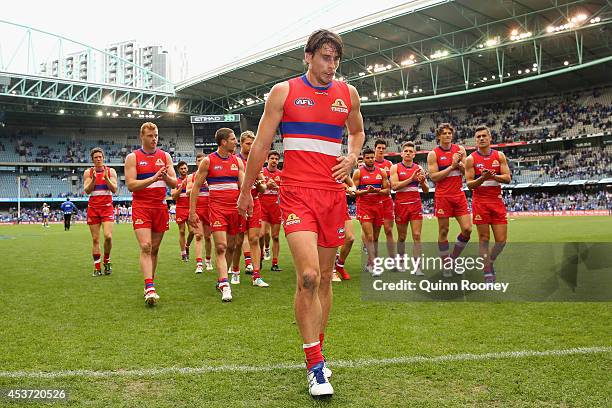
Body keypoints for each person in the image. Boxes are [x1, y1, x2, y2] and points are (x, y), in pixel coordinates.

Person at [237, 29, 365, 398]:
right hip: (295, 194)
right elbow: (261, 143)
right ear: (307, 57)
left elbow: (357, 133)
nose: (331, 65)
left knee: (325, 278)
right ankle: (314, 365)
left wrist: (353, 156)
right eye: (325, 57)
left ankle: (318, 354)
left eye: (336, 59)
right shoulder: (285, 91)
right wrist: (246, 190)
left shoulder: (348, 94)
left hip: (332, 194)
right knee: (307, 276)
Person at [189, 128, 245, 302]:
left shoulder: (238, 162)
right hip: (217, 209)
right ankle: (225, 284)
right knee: (220, 247)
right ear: (223, 142)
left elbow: (242, 187)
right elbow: (196, 187)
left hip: (234, 210)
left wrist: (248, 201)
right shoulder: (208, 161)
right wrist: (192, 212)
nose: (235, 142)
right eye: (233, 139)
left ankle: (222, 280)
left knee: (232, 246)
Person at [124, 122, 177, 305]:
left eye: (156, 135)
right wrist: (153, 178)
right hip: (142, 206)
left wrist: (165, 177)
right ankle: (149, 286)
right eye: (150, 136)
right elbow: (131, 185)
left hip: (160, 206)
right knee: (146, 246)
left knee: (154, 248)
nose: (154, 139)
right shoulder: (133, 157)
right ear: (142, 137)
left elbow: (174, 183)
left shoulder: (165, 156)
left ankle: (150, 285)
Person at [465, 125, 511, 283]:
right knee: (484, 238)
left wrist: (494, 177)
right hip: (480, 201)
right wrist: (482, 179)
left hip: (496, 200)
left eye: (484, 136)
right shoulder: (471, 159)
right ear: (475, 140)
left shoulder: (499, 155)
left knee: (501, 240)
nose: (481, 139)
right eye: (478, 137)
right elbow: (469, 184)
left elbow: (507, 178)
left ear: (490, 138)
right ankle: (487, 271)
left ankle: (489, 262)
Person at [427, 123, 472, 277]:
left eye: (449, 133)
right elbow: (434, 177)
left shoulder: (460, 150)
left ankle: (452, 259)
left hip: (459, 195)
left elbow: (467, 172)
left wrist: (459, 163)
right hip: (443, 196)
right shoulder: (433, 154)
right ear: (439, 136)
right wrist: (451, 166)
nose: (447, 135)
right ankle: (446, 265)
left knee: (467, 229)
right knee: (444, 231)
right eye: (444, 133)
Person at [231, 131, 269, 287]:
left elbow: (263, 186)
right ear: (241, 144)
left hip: (255, 202)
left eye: (253, 143)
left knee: (254, 238)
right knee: (238, 241)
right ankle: (235, 271)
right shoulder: (234, 160)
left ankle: (256, 275)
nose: (251, 146)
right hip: (239, 204)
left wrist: (261, 186)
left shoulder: (257, 160)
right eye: (248, 143)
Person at [390, 142, 429, 275]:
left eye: (410, 151)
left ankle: (417, 267)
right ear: (402, 153)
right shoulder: (395, 168)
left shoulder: (419, 168)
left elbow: (426, 190)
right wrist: (411, 178)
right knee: (402, 237)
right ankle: (400, 262)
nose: (408, 153)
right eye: (405, 151)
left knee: (417, 236)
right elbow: (394, 186)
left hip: (415, 204)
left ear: (414, 154)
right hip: (401, 205)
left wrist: (422, 181)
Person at [353, 148, 389, 275]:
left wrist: (377, 191)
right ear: (363, 159)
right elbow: (353, 192)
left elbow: (387, 191)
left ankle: (369, 263)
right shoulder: (358, 172)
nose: (370, 160)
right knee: (369, 236)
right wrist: (366, 192)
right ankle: (375, 266)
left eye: (372, 157)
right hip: (364, 206)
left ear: (374, 157)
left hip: (378, 206)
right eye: (367, 158)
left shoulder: (382, 172)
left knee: (375, 238)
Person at [84, 147, 117, 276]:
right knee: (95, 239)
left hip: (107, 207)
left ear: (103, 158)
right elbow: (87, 190)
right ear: (92, 160)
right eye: (96, 158)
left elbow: (114, 189)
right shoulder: (88, 172)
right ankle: (97, 268)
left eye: (100, 157)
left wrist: (106, 178)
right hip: (93, 208)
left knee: (108, 236)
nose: (98, 159)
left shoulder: (111, 171)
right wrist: (93, 179)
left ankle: (107, 260)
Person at [185, 153, 214, 274]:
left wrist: (209, 186)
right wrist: (199, 185)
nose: (201, 162)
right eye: (198, 160)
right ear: (196, 163)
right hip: (197, 209)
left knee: (208, 237)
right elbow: (187, 192)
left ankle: (208, 260)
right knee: (198, 236)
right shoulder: (192, 177)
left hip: (209, 209)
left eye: (203, 160)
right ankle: (199, 263)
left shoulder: (212, 176)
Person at [372, 139, 396, 259]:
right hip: (373, 202)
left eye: (383, 148)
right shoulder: (369, 163)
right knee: (374, 235)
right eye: (379, 148)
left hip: (386, 201)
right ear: (375, 149)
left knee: (388, 230)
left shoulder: (389, 165)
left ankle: (392, 259)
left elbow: (393, 183)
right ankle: (373, 261)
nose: (381, 150)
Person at [260, 150, 283, 271]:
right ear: (267, 160)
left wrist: (277, 187)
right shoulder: (261, 172)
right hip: (262, 207)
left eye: (276, 159)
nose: (274, 161)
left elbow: (286, 191)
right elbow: (256, 188)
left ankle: (275, 263)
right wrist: (266, 186)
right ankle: (262, 253)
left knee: (275, 236)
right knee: (262, 234)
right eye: (272, 158)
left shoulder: (281, 174)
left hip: (276, 208)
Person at [332, 175, 356, 281]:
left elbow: (353, 185)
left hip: (342, 207)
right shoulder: (322, 168)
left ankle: (340, 266)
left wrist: (351, 189)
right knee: (332, 241)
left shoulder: (341, 171)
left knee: (350, 238)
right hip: (328, 208)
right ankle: (331, 271)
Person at [171, 161, 194, 262]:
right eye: (181, 169)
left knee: (193, 231)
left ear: (187, 169)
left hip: (190, 208)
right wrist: (181, 186)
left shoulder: (192, 179)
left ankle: (187, 245)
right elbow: (174, 196)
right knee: (181, 231)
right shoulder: (175, 181)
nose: (183, 170)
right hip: (180, 208)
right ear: (178, 170)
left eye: (185, 168)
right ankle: (183, 253)